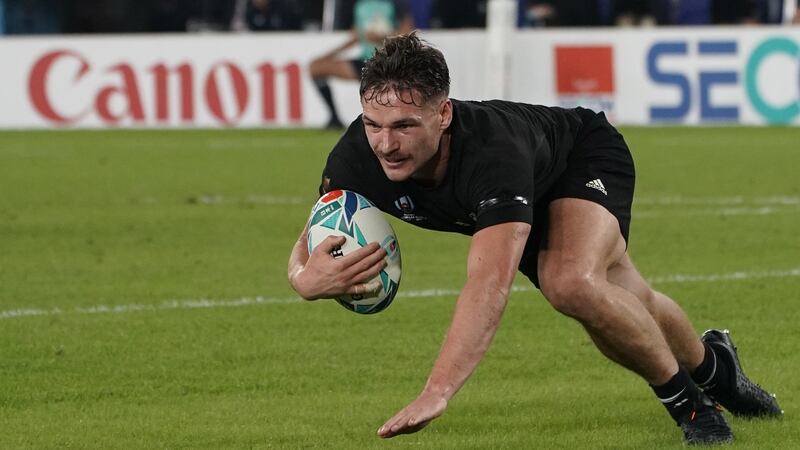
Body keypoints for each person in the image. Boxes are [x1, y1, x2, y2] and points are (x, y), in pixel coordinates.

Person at [287, 33, 783, 445]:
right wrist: (302, 279)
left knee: (570, 282)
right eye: (373, 124)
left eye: (404, 126)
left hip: (578, 159)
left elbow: (487, 285)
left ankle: (691, 407)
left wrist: (437, 391)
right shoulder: (356, 157)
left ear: (444, 115)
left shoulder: (490, 156)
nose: (385, 144)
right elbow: (316, 231)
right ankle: (718, 370)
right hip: (516, 200)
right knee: (628, 297)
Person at [309, 0, 413, 129]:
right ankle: (334, 119)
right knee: (316, 68)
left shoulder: (396, 3)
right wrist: (328, 55)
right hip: (366, 61)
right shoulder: (360, 5)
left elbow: (407, 33)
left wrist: (383, 38)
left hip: (389, 62)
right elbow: (356, 36)